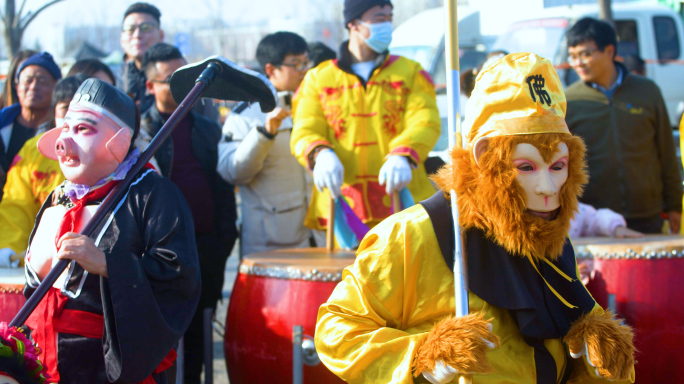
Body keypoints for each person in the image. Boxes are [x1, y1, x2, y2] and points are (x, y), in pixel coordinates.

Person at [314, 53, 635, 384]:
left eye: (558, 167)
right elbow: (337, 332)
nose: (548, 187)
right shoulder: (412, 234)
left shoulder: (546, 235)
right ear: (484, 159)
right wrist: (420, 358)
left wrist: (598, 364)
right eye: (525, 167)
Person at [24, 78, 200, 383]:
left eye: (82, 130)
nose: (65, 141)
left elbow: (179, 275)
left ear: (118, 141)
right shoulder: (58, 196)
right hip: (44, 360)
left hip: (105, 364)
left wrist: (110, 265)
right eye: (65, 130)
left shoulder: (153, 194)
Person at [291, 0, 440, 232]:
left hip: (403, 200)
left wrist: (404, 154)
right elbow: (305, 128)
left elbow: (425, 120)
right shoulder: (318, 78)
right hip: (342, 205)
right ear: (353, 23)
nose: (387, 26)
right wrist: (320, 153)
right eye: (379, 19)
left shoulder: (411, 72)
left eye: (389, 19)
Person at [141, 43, 238, 384]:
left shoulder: (208, 129)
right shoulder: (139, 135)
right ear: (150, 85)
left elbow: (225, 195)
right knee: (159, 342)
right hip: (158, 255)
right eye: (172, 78)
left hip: (206, 250)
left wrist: (224, 242)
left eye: (189, 75)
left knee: (198, 338)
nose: (185, 84)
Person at [564, 18, 682, 234]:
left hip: (648, 216)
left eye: (585, 54)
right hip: (596, 223)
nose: (578, 63)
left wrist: (675, 206)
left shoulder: (647, 91)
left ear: (609, 51)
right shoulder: (569, 101)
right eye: (572, 56)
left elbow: (666, 152)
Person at [217, 32, 317, 256]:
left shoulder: (316, 106)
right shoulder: (245, 117)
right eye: (296, 64)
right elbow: (233, 173)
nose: (304, 70)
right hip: (272, 242)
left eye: (305, 62)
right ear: (271, 70)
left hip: (319, 235)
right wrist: (264, 134)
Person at [0, 75, 87, 268]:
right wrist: (9, 245)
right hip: (40, 265)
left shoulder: (110, 152)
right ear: (53, 111)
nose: (72, 118)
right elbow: (16, 204)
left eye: (81, 111)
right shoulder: (33, 151)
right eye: (65, 109)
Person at [0, 52, 60, 197]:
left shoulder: (61, 133)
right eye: (28, 81)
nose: (33, 87)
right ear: (17, 87)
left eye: (42, 81)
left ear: (56, 88)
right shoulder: (2, 125)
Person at [119, 2, 164, 112]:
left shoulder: (174, 77)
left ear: (161, 35)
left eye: (146, 28)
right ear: (122, 39)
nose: (137, 35)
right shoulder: (110, 79)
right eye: (130, 29)